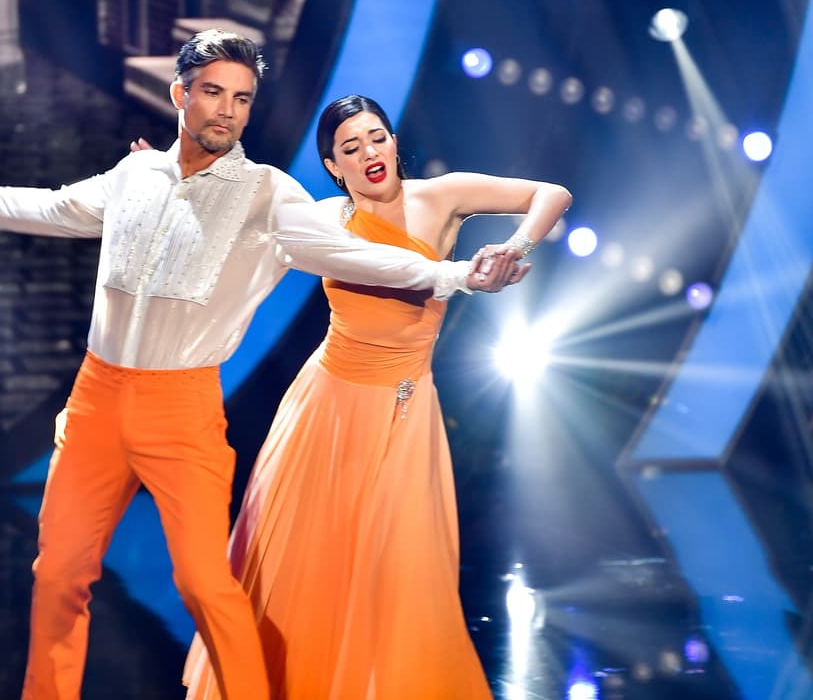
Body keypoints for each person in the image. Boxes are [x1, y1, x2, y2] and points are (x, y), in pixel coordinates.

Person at [0, 32, 524, 700]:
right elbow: (51, 207)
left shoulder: (269, 195)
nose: (227, 110)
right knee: (59, 575)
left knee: (203, 584)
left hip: (182, 410)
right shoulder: (134, 176)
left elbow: (357, 256)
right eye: (214, 92)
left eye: (242, 99)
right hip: (96, 399)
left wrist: (454, 275)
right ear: (179, 94)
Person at [182, 94, 572, 699]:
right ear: (333, 166)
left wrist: (513, 248)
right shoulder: (325, 218)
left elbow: (553, 193)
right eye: (351, 147)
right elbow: (238, 233)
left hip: (403, 409)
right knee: (305, 570)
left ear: (393, 141)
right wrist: (173, 184)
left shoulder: (443, 196)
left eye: (377, 137)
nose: (369, 152)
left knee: (401, 573)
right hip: (325, 410)